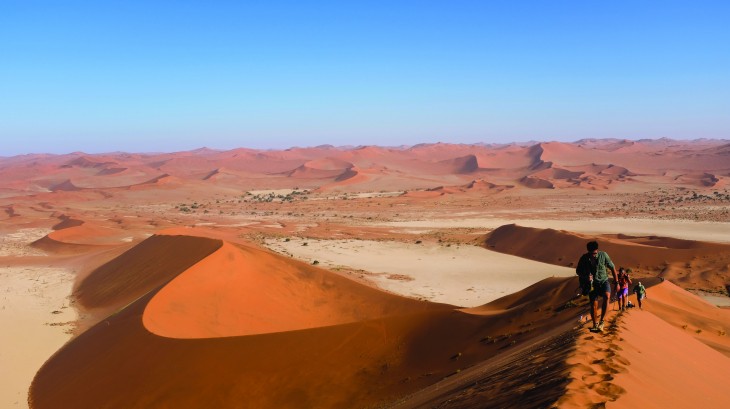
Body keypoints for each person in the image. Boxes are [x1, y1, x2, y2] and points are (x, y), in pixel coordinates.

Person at [576, 241, 618, 332]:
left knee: (607, 296)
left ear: (597, 251)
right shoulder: (584, 258)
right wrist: (585, 276)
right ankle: (595, 324)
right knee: (594, 305)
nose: (593, 255)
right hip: (592, 284)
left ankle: (602, 322)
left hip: (604, 281)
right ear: (588, 252)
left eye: (595, 253)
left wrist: (617, 282)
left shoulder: (604, 255)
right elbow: (578, 271)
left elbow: (613, 267)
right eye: (591, 254)